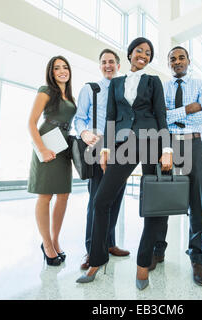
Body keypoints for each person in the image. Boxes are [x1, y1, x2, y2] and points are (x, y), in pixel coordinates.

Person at [76, 37, 173, 290]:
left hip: (152, 141)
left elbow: (161, 115)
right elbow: (110, 117)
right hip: (122, 144)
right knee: (101, 200)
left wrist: (168, 149)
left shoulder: (154, 81)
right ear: (129, 55)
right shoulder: (117, 83)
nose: (143, 54)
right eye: (139, 50)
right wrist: (106, 149)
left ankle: (143, 265)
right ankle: (97, 259)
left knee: (154, 204)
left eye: (148, 52)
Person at [149, 46, 202, 286]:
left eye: (181, 57)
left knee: (197, 201)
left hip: (193, 144)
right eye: (172, 59)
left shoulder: (201, 85)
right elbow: (159, 118)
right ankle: (158, 250)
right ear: (168, 63)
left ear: (188, 60)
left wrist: (172, 114)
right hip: (167, 145)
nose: (177, 61)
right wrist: (188, 108)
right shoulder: (162, 87)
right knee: (162, 199)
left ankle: (197, 257)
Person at [74, 49, 130, 271]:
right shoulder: (90, 89)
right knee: (97, 199)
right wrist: (84, 133)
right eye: (104, 62)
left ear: (118, 65)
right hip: (97, 146)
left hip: (122, 148)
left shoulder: (124, 89)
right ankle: (92, 249)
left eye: (112, 62)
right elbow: (79, 119)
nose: (108, 65)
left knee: (115, 198)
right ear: (100, 66)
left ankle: (109, 244)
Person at [27, 56, 77, 266]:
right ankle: (46, 244)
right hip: (47, 140)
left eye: (65, 67)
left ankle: (55, 240)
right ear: (51, 72)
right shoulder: (46, 91)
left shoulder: (70, 96)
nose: (62, 71)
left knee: (63, 195)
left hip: (63, 143)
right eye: (57, 68)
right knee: (45, 195)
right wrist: (42, 149)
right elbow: (31, 122)